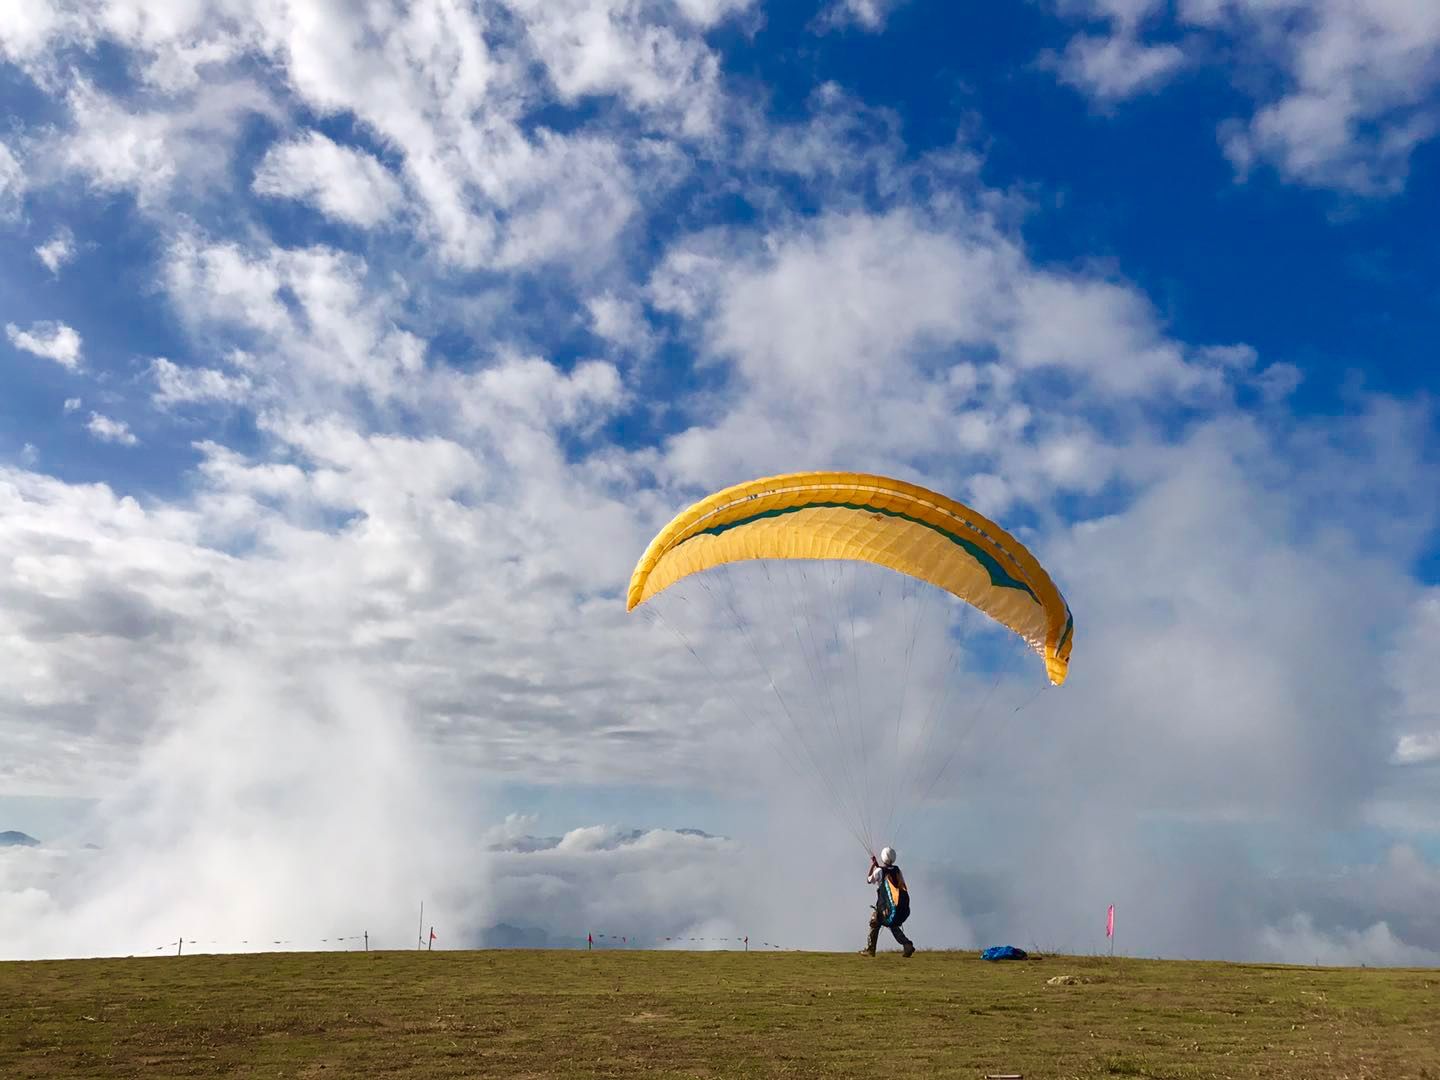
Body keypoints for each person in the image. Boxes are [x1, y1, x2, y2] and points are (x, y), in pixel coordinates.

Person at [862, 846, 915, 957]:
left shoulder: (879, 870)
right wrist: (878, 867)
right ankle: (907, 944)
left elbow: (869, 880)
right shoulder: (897, 870)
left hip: (883, 906)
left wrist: (873, 865)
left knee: (874, 922)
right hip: (894, 906)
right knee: (893, 924)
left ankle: (870, 949)